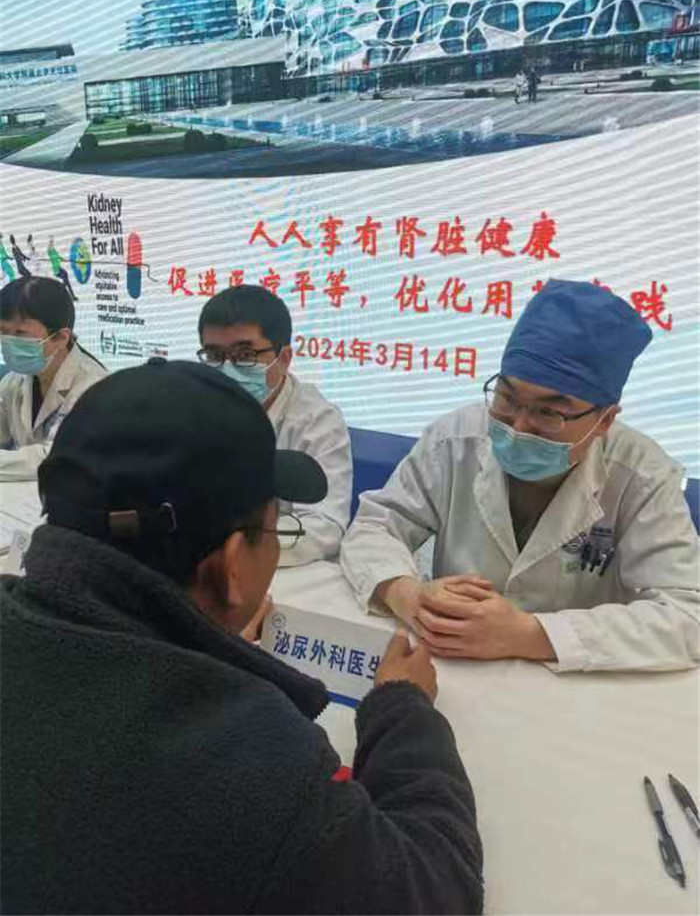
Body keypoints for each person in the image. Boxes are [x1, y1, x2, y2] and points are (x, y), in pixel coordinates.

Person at [0, 359, 484, 915]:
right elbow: (434, 890)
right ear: (233, 565)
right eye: (273, 528)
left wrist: (205, 636)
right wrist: (403, 710)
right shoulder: (256, 771)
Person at [340, 280, 700, 673]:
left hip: (574, 685)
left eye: (549, 412)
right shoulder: (455, 438)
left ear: (604, 420)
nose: (518, 427)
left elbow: (687, 615)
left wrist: (531, 634)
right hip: (449, 667)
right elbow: (376, 526)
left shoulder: (643, 475)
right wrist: (406, 593)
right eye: (507, 398)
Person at [198, 284, 352, 566]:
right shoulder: (191, 406)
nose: (227, 370)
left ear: (284, 359)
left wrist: (237, 546)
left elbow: (324, 525)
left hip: (282, 567)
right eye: (214, 356)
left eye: (245, 356)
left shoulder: (317, 421)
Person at [0, 275, 106, 481]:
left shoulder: (94, 387)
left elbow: (55, 458)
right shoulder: (15, 380)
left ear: (61, 337)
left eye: (21, 333)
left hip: (73, 493)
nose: (9, 341)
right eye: (3, 331)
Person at [47, 235, 78, 301]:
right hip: (56, 270)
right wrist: (51, 240)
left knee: (66, 280)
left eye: (52, 244)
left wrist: (63, 259)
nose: (52, 245)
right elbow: (49, 247)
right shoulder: (50, 252)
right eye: (51, 244)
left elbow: (58, 257)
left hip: (59, 268)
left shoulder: (54, 251)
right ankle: (61, 292)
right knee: (66, 281)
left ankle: (71, 296)